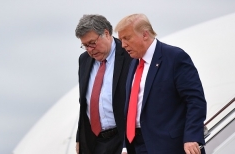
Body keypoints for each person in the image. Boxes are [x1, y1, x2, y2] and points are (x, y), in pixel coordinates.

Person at [114, 14, 207, 154]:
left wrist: (192, 137)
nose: (123, 44)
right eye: (121, 40)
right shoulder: (134, 63)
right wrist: (125, 145)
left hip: (169, 146)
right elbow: (133, 106)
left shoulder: (175, 57)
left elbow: (195, 101)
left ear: (145, 34)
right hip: (137, 145)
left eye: (127, 38)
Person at [75, 14, 134, 154]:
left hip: (123, 139)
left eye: (92, 43)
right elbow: (85, 102)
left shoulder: (129, 54)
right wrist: (79, 137)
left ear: (106, 33)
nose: (89, 49)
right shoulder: (84, 60)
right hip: (95, 142)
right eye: (85, 46)